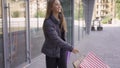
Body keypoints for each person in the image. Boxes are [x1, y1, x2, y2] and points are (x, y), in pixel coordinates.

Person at [41, 0, 79, 68]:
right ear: (51, 7)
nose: (59, 6)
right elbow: (56, 39)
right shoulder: (48, 22)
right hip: (51, 53)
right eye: (56, 4)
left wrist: (65, 48)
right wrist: (70, 48)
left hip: (62, 51)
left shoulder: (61, 19)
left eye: (59, 4)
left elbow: (63, 37)